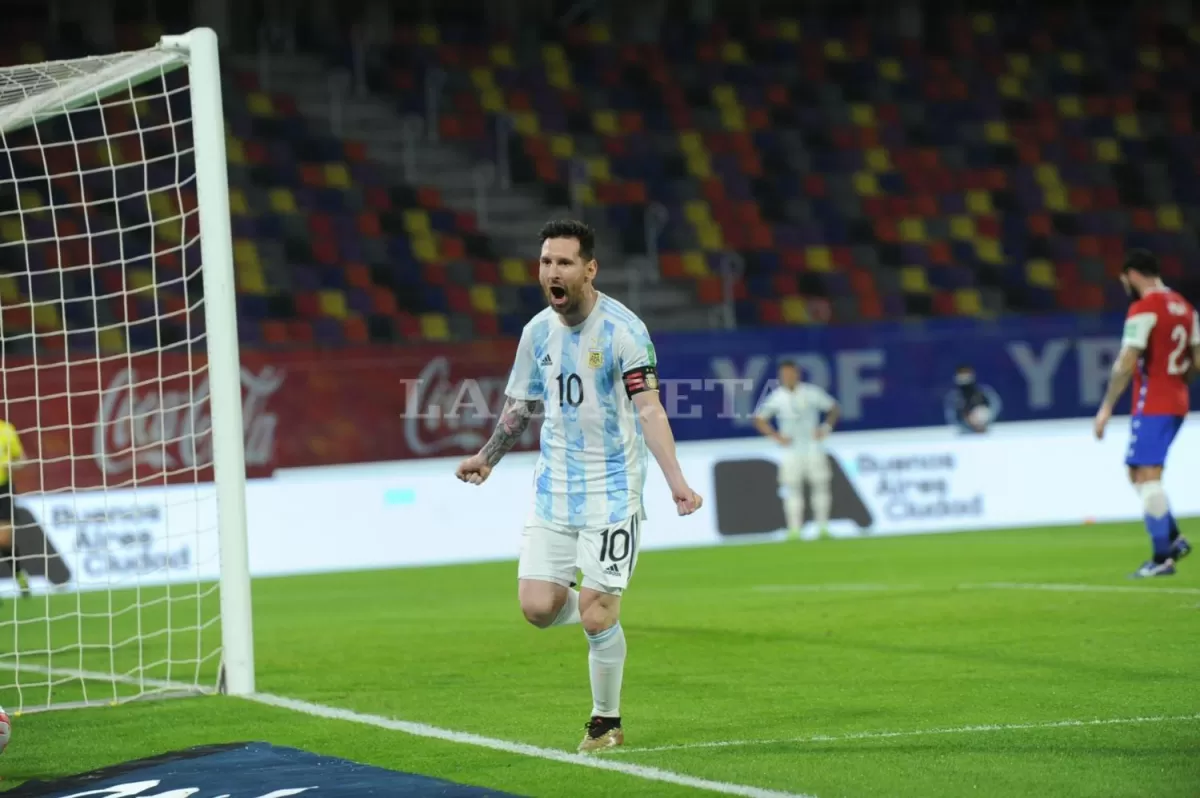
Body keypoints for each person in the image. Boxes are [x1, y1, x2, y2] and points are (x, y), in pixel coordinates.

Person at [454, 219, 703, 752]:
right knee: (538, 608)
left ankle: (605, 720)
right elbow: (520, 406)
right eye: (546, 261)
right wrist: (488, 457)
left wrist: (676, 482)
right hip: (554, 493)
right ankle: (595, 609)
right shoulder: (536, 333)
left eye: (564, 262)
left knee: (596, 611)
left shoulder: (625, 331)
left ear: (589, 269)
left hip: (612, 494)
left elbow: (650, 409)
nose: (552, 271)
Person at [1094, 249, 1197, 577]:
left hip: (1153, 402)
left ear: (1132, 274)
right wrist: (1178, 384)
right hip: (1177, 400)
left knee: (1148, 476)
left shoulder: (1143, 309)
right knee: (1136, 472)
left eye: (1124, 278)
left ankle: (1161, 558)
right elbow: (1197, 361)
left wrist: (1107, 406)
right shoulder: (1186, 308)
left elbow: (1126, 362)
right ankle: (1174, 538)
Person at [753, 361, 840, 540]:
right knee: (792, 488)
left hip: (813, 446)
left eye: (790, 373)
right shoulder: (777, 397)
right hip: (791, 449)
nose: (788, 377)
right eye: (784, 374)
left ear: (797, 374)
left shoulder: (811, 392)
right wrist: (776, 436)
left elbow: (833, 408)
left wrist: (825, 429)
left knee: (821, 485)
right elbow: (760, 419)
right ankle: (794, 530)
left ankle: (822, 527)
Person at [0, 420, 28, 598]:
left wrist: (11, 465)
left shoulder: (7, 430)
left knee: (3, 539)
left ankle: (19, 574)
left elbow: (22, 459)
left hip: (3, 488)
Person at [946, 364, 999, 434]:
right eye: (961, 374)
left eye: (966, 373)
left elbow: (995, 407)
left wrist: (984, 422)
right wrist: (968, 423)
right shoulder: (953, 397)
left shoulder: (984, 392)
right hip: (964, 433)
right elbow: (951, 416)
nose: (964, 377)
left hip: (985, 430)